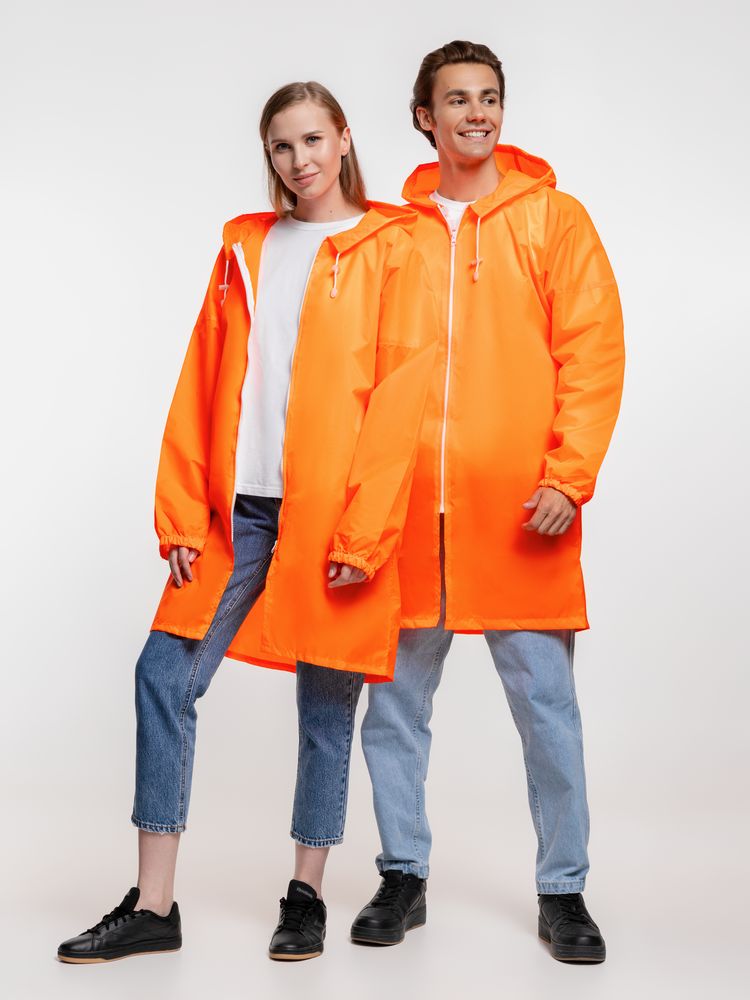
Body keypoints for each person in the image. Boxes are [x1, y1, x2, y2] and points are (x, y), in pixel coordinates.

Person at [56, 81, 436, 965]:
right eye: (281, 147)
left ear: (344, 139)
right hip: (241, 514)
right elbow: (202, 377)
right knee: (164, 673)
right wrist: (184, 514)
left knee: (325, 707)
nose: (300, 161)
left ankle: (305, 896)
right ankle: (154, 906)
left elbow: (400, 400)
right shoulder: (245, 248)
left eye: (313, 141)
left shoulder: (391, 249)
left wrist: (364, 534)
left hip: (333, 514)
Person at [349, 41, 625, 964]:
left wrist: (567, 476)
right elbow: (359, 369)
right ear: (423, 117)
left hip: (522, 512)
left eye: (490, 97)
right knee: (393, 709)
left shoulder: (554, 219)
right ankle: (402, 874)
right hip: (407, 517)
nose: (477, 113)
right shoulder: (391, 233)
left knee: (548, 711)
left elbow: (593, 354)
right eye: (458, 99)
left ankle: (564, 890)